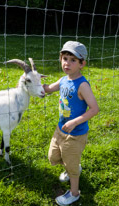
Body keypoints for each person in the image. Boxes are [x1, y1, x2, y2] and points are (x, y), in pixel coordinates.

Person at [43, 41, 99, 206]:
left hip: (75, 134)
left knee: (71, 165)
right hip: (60, 129)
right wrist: (34, 80)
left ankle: (74, 193)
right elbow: (48, 89)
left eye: (73, 60)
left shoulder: (82, 85)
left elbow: (94, 109)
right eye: (65, 58)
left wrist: (75, 122)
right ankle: (72, 167)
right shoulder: (62, 80)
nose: (67, 62)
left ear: (82, 64)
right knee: (52, 156)